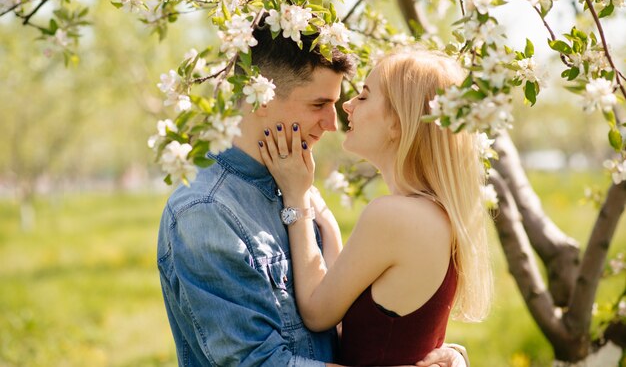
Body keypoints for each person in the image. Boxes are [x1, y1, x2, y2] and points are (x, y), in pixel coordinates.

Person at [157, 23, 470, 366]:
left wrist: (443, 354)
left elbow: (344, 332)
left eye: (340, 101)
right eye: (319, 104)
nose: (334, 122)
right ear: (258, 96)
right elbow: (257, 362)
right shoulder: (207, 211)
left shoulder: (300, 192)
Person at [259, 50, 492, 366]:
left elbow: (317, 313)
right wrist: (322, 218)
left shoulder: (394, 216)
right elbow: (365, 322)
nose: (347, 105)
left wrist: (296, 200)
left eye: (365, 97)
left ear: (398, 122)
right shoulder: (439, 215)